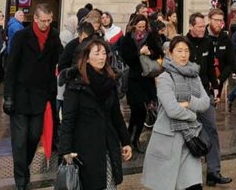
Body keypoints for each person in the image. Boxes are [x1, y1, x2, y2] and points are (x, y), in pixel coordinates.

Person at [59, 37, 133, 190]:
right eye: (97, 54)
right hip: (85, 148)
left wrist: (125, 141)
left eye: (104, 53)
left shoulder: (110, 80)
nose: (101, 57)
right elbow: (68, 120)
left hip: (108, 144)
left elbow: (116, 115)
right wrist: (65, 151)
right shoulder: (75, 84)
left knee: (109, 185)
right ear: (86, 58)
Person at [3, 3, 64, 190]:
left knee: (33, 137)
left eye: (49, 20)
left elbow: (62, 59)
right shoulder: (22, 36)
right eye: (43, 20)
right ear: (35, 19)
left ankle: (24, 167)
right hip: (20, 95)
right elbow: (11, 67)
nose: (46, 24)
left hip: (41, 96)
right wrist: (8, 96)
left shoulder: (53, 36)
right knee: (19, 141)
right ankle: (21, 180)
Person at [142, 36, 212, 190]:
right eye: (179, 51)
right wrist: (193, 115)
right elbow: (172, 109)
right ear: (170, 53)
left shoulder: (195, 76)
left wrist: (188, 103)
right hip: (168, 140)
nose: (183, 55)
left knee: (193, 186)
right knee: (168, 185)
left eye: (186, 51)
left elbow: (205, 102)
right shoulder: (164, 78)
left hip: (189, 141)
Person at [185, 12, 232, 186]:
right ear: (191, 26)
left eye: (203, 26)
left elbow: (212, 68)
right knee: (189, 133)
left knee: (211, 129)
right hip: (187, 96)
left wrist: (216, 88)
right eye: (199, 26)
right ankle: (190, 175)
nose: (202, 29)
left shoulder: (207, 42)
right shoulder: (183, 44)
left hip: (205, 93)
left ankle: (214, 171)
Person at [118, 14, 164, 150]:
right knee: (136, 109)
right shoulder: (127, 39)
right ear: (134, 26)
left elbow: (159, 53)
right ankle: (129, 136)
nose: (141, 30)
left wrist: (150, 52)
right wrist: (139, 52)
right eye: (139, 27)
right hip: (133, 79)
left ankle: (135, 138)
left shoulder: (150, 36)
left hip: (147, 78)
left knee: (143, 111)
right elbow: (126, 57)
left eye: (143, 27)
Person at [206, 8, 235, 105]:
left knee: (212, 107)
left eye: (221, 20)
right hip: (202, 82)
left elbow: (230, 63)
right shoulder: (203, 35)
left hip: (218, 81)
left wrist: (220, 79)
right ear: (209, 20)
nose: (219, 23)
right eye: (216, 20)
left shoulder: (226, 38)